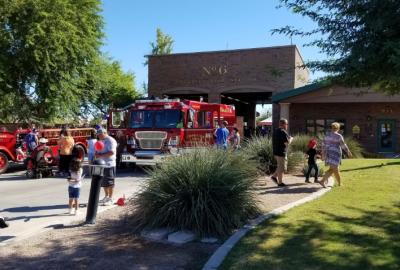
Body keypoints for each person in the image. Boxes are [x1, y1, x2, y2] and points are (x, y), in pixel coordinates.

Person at [318, 122, 352, 188]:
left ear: (331, 128)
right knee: (335, 169)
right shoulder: (339, 136)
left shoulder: (327, 136)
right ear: (338, 128)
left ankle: (326, 181)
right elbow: (343, 145)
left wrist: (323, 154)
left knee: (332, 169)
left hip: (328, 153)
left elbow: (323, 145)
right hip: (336, 154)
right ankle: (325, 181)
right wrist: (348, 152)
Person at [95, 129, 117, 206]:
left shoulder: (111, 140)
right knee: (103, 182)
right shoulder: (101, 141)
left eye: (100, 134)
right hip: (102, 164)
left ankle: (110, 198)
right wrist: (97, 153)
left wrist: (100, 155)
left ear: (105, 133)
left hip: (109, 164)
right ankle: (106, 196)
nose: (98, 136)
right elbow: (98, 150)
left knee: (110, 182)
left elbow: (111, 152)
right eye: (98, 135)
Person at [271, 118, 293, 187]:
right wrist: (291, 139)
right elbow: (287, 143)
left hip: (276, 152)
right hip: (281, 152)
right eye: (286, 124)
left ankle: (277, 179)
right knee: (281, 168)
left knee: (280, 167)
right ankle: (278, 181)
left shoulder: (275, 131)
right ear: (283, 124)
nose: (287, 125)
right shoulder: (283, 132)